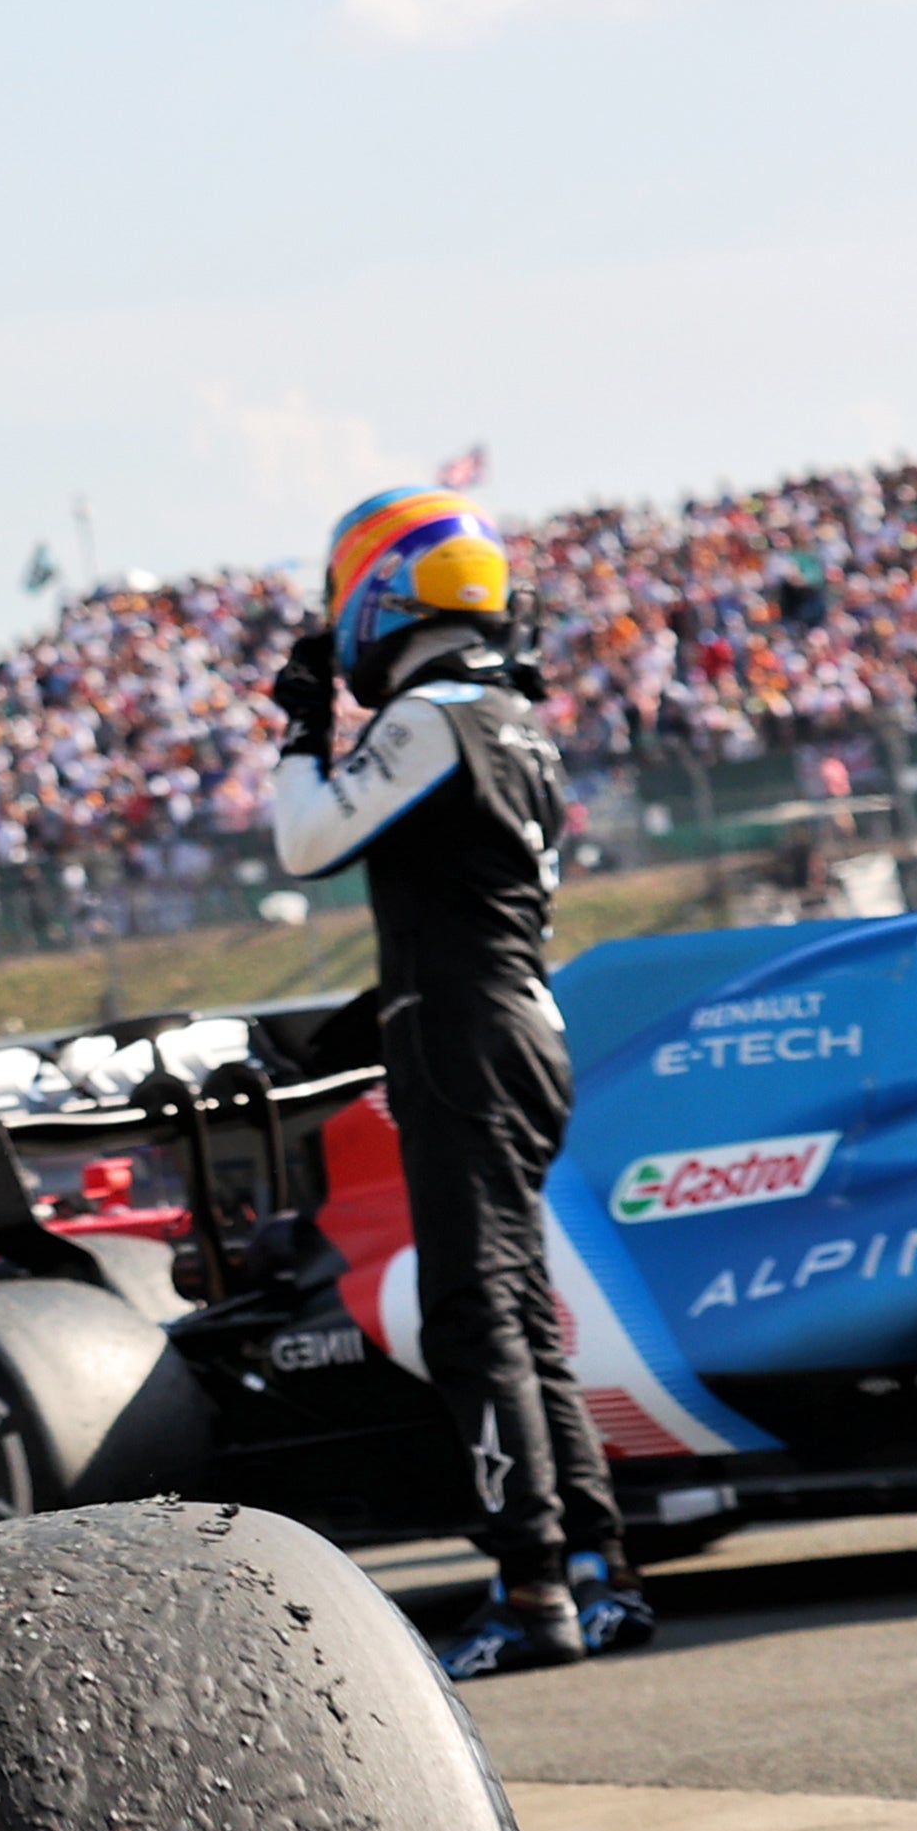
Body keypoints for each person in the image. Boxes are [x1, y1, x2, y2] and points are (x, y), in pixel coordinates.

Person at [265, 484, 653, 1677]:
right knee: (522, 1311)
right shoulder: (512, 713)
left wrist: (298, 726)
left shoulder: (432, 715)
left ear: (380, 592)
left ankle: (528, 1583)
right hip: (519, 1015)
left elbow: (304, 840)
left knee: (472, 1314)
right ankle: (597, 1568)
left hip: (460, 1030)